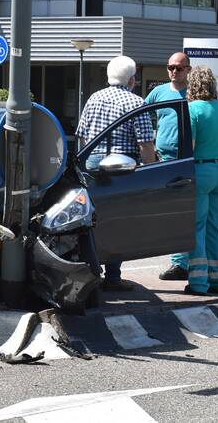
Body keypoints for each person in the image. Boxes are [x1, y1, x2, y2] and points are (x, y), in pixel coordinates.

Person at [76, 55, 156, 291]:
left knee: (91, 220)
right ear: (132, 79)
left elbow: (81, 135)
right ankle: (112, 277)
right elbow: (145, 145)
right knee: (119, 221)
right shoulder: (136, 103)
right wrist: (150, 171)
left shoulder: (94, 98)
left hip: (91, 166)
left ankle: (89, 271)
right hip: (121, 169)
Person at [182, 66, 218, 296]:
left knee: (197, 227)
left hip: (200, 170)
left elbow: (189, 147)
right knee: (215, 227)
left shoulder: (192, 110)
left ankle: (198, 283)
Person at [144, 52, 192, 282]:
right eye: (170, 67)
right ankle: (181, 262)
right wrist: (149, 147)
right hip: (164, 160)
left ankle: (182, 263)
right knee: (172, 211)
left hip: (188, 160)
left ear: (188, 70)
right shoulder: (159, 92)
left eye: (179, 68)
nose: (174, 71)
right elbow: (141, 117)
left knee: (184, 211)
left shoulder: (195, 94)